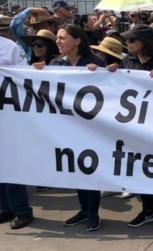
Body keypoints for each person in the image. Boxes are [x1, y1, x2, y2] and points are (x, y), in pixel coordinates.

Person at [32, 25, 105, 232]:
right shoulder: (55, 64)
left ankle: (93, 213)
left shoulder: (94, 63)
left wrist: (102, 72)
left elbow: (109, 87)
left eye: (62, 37)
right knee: (76, 170)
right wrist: (39, 72)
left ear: (78, 41)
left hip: (91, 129)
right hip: (67, 128)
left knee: (90, 170)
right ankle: (83, 209)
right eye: (57, 38)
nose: (58, 41)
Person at [116, 24, 153, 229]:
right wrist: (112, 71)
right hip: (134, 124)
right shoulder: (127, 60)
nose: (128, 43)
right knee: (140, 169)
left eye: (132, 40)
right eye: (128, 40)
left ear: (145, 42)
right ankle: (148, 209)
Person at [0, 35, 34, 230]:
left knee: (10, 163)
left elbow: (24, 76)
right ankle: (6, 207)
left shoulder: (9, 47)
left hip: (9, 113)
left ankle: (22, 210)